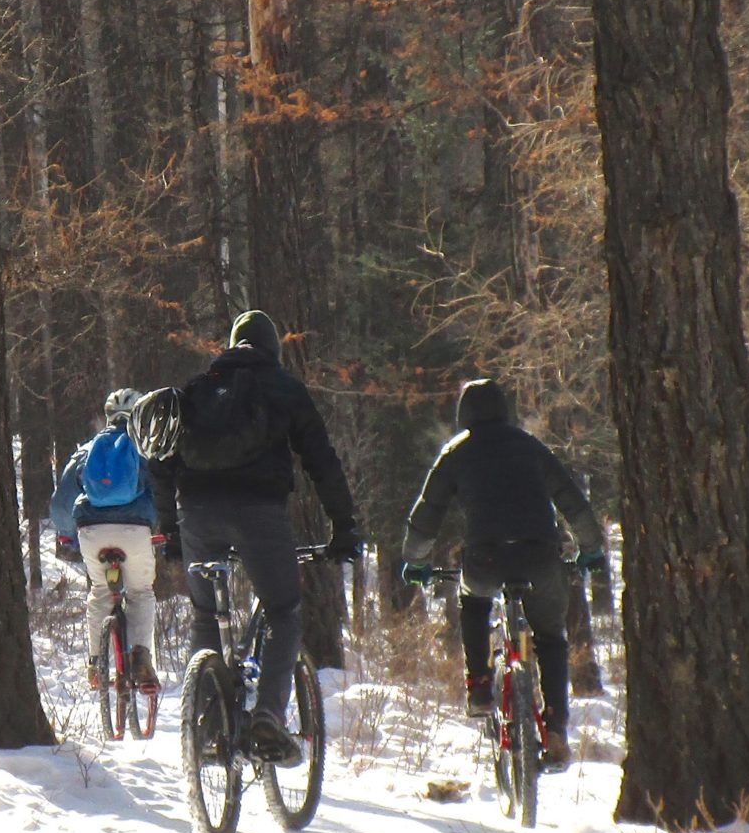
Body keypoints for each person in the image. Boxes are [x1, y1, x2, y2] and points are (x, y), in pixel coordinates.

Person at [144, 310, 360, 767]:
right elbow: (322, 462)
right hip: (259, 513)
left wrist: (173, 531)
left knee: (205, 616)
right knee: (283, 612)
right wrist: (344, 526)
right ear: (272, 350)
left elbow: (161, 463)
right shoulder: (284, 388)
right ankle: (267, 717)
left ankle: (205, 727)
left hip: (197, 512)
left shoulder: (197, 389)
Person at [399, 378, 604, 772]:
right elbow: (571, 500)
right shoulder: (530, 447)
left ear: (464, 413)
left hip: (486, 560)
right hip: (541, 556)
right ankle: (557, 727)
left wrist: (416, 560)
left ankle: (478, 686)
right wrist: (591, 548)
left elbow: (427, 514)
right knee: (550, 637)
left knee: (473, 602)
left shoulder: (456, 452)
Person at [50, 389, 162, 693]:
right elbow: (164, 493)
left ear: (108, 416)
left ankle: (96, 664)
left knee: (100, 592)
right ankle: (140, 656)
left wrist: (66, 533)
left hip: (92, 529)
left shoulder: (88, 450)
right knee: (140, 592)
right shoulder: (146, 449)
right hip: (136, 530)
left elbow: (62, 503)